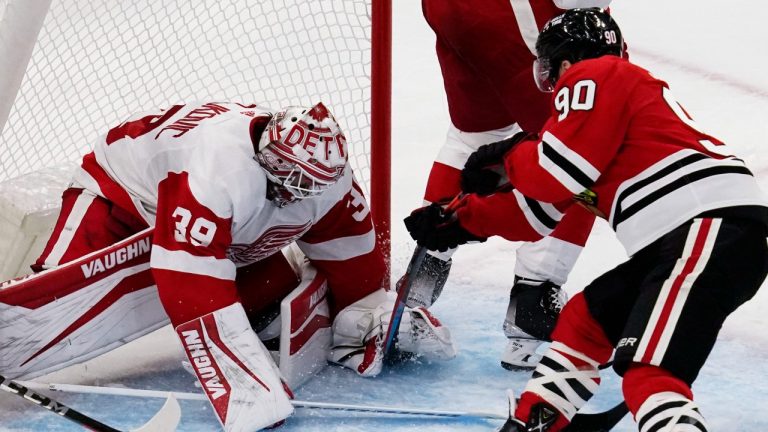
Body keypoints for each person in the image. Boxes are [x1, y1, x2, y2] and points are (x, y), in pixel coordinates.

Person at [405, 8, 768, 432]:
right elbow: (537, 212)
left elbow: (555, 173)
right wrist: (461, 221)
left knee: (650, 375)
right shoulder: (607, 112)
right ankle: (538, 420)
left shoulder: (595, 73)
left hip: (706, 226)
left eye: (548, 70)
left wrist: (510, 155)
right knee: (585, 321)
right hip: (690, 236)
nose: (550, 85)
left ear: (565, 62)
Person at [26, 101, 456, 431]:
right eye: (290, 177)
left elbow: (352, 260)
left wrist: (368, 312)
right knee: (54, 294)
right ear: (269, 155)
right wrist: (240, 383)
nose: (298, 193)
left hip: (224, 228)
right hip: (120, 193)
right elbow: (188, 284)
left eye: (309, 184)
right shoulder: (217, 170)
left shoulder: (328, 177)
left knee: (272, 321)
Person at [407, 0, 613, 370]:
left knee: (473, 136)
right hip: (513, 14)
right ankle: (534, 301)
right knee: (581, 148)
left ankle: (418, 283)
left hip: (452, 11)